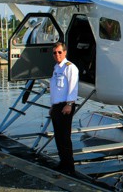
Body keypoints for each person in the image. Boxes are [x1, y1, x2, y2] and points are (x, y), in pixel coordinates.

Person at [49, 42, 79, 176]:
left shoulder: (70, 68)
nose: (57, 55)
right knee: (58, 136)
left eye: (60, 52)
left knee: (65, 137)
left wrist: (70, 104)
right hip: (57, 106)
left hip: (65, 106)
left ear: (65, 52)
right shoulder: (56, 68)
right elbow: (55, 90)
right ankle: (63, 162)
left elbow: (73, 87)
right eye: (55, 53)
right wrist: (52, 106)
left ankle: (69, 166)